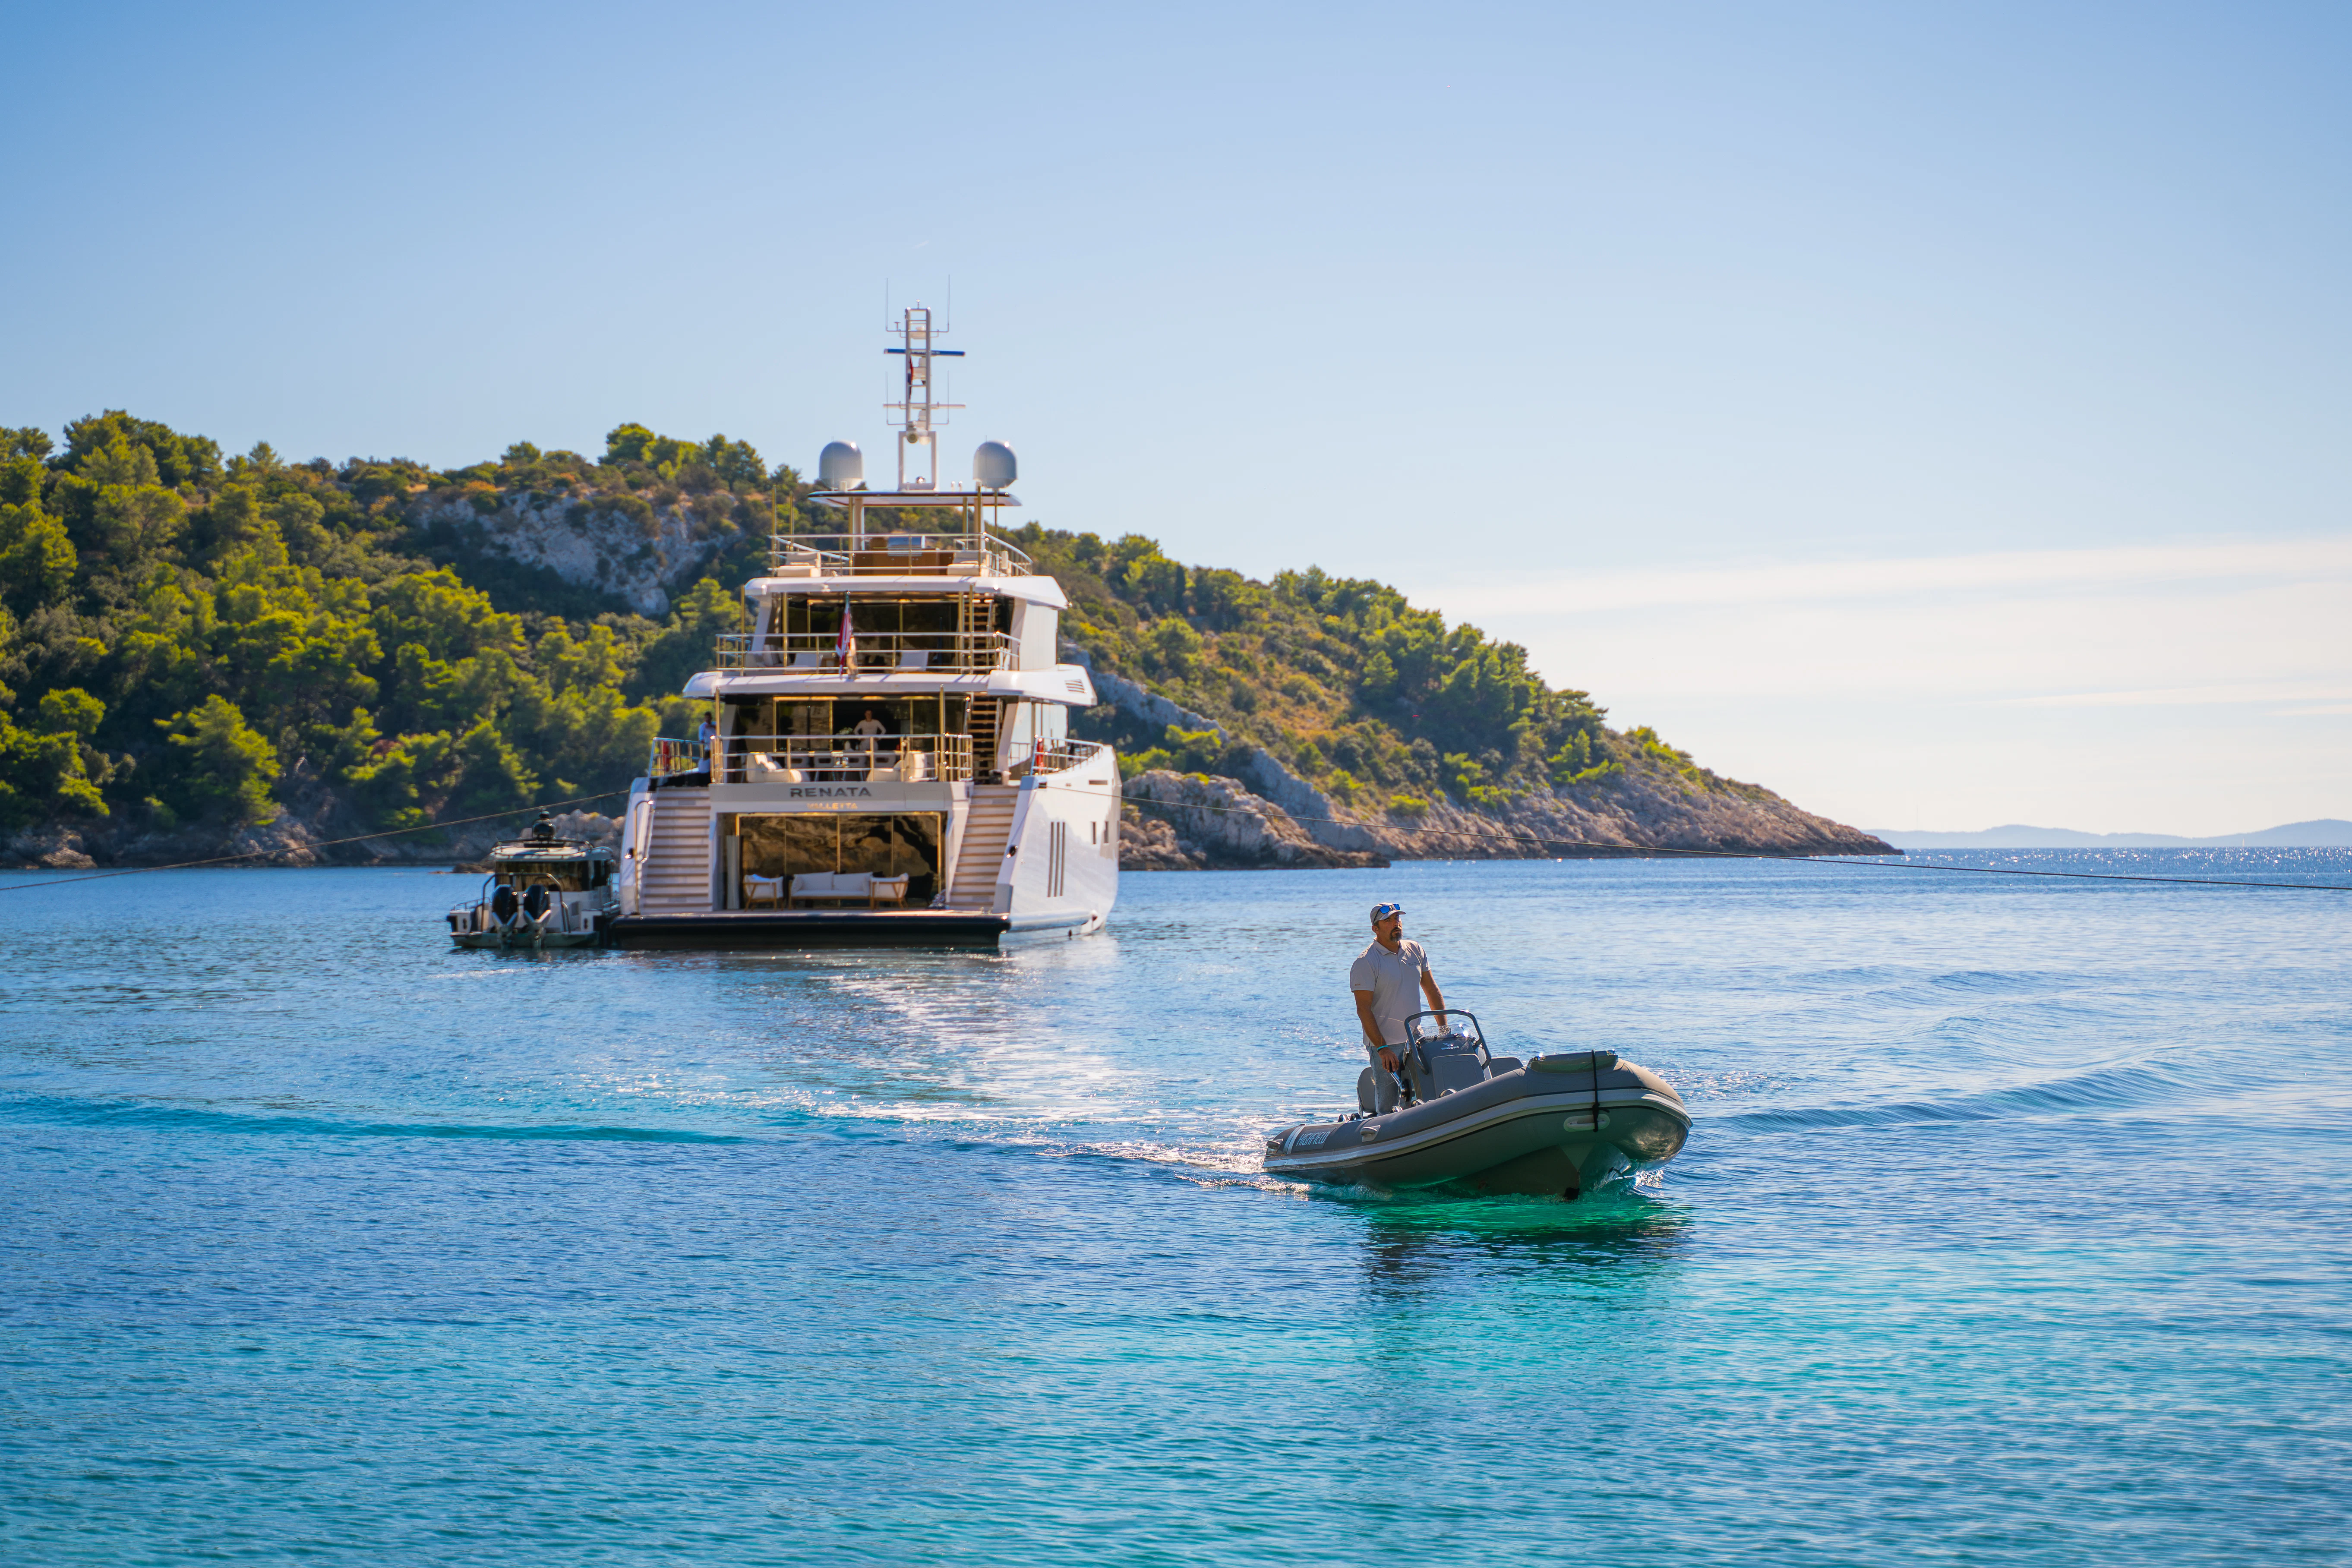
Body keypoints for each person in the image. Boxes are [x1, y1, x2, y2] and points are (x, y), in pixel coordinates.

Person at [1350, 901, 1445, 1109]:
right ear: (1375, 929)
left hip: (1416, 1038)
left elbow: (1431, 990)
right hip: (1385, 1045)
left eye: (1397, 918)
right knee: (1388, 1104)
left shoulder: (1415, 950)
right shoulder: (1365, 963)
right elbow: (1363, 1009)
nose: (1396, 923)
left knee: (1429, 1094)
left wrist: (1444, 1028)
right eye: (1388, 921)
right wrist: (1382, 1048)